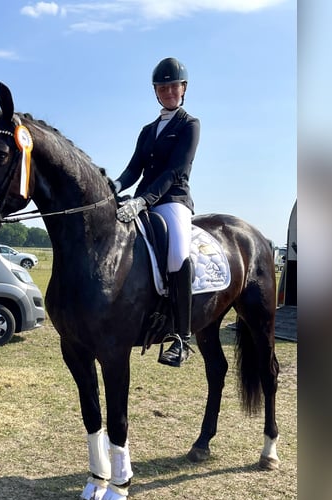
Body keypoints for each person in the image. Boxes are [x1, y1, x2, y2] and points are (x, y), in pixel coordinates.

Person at [113, 57, 200, 367]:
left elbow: (176, 171)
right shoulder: (148, 130)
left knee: (178, 253)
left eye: (172, 87)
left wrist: (143, 201)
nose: (167, 92)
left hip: (173, 200)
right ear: (156, 92)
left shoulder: (189, 125)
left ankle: (182, 337)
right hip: (143, 199)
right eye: (162, 88)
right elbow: (134, 168)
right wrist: (114, 185)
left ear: (183, 89)